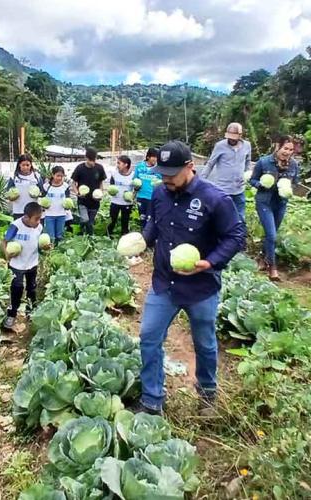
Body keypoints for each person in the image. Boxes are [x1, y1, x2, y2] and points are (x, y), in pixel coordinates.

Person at [136, 141, 246, 416]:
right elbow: (153, 225)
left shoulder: (215, 199)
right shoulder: (160, 194)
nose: (166, 179)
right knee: (149, 337)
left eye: (172, 174)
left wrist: (210, 262)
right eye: (163, 174)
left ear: (190, 167)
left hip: (201, 287)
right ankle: (152, 400)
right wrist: (141, 242)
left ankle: (207, 394)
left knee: (205, 343)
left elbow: (236, 235)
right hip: (164, 284)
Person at [249, 135, 299, 281]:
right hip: (264, 202)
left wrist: (288, 187)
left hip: (281, 203)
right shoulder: (264, 162)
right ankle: (272, 267)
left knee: (272, 234)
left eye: (290, 149)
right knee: (271, 235)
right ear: (278, 146)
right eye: (285, 148)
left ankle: (262, 258)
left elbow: (296, 182)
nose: (287, 152)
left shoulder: (293, 165)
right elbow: (252, 180)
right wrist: (261, 185)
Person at [2, 202, 44, 330]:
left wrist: (45, 248)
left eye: (40, 218)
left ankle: (30, 310)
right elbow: (4, 242)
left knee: (32, 287)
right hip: (17, 264)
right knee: (17, 288)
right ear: (26, 217)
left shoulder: (39, 227)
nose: (38, 221)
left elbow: (40, 245)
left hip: (32, 263)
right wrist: (7, 255)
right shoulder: (16, 226)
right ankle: (12, 314)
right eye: (36, 219)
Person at [199, 122, 252, 222]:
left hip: (239, 188)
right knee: (222, 217)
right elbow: (210, 164)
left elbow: (248, 161)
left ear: (240, 135)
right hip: (223, 189)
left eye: (234, 137)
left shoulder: (247, 146)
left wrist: (247, 174)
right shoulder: (220, 146)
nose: (231, 140)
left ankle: (239, 236)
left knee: (240, 218)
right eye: (229, 137)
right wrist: (201, 180)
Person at [71, 147, 107, 235]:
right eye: (91, 160)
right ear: (86, 158)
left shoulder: (99, 168)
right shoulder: (80, 168)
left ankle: (89, 238)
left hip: (95, 202)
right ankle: (81, 230)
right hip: (83, 201)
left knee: (90, 223)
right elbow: (73, 183)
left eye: (94, 160)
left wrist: (100, 193)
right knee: (85, 219)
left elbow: (101, 183)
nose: (93, 162)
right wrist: (77, 193)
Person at [133, 147, 163, 229]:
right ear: (148, 157)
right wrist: (134, 195)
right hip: (141, 197)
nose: (156, 159)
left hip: (153, 198)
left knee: (150, 219)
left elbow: (163, 183)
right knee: (142, 218)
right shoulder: (139, 166)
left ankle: (150, 238)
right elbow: (135, 180)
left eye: (157, 157)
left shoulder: (159, 169)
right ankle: (143, 236)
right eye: (154, 157)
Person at [6, 154, 43, 219]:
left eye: (27, 165)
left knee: (33, 228)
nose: (25, 167)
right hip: (18, 210)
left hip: (33, 210)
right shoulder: (14, 176)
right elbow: (8, 192)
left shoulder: (36, 176)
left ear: (31, 165)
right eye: (23, 165)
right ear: (19, 165)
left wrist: (37, 195)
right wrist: (12, 198)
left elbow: (42, 191)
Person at [107, 155, 135, 237]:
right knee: (112, 220)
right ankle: (108, 235)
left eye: (119, 163)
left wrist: (133, 196)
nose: (117, 165)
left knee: (125, 221)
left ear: (126, 165)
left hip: (127, 203)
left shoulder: (133, 175)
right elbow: (111, 186)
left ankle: (124, 236)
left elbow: (136, 188)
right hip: (115, 201)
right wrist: (111, 191)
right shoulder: (114, 174)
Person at [43, 165, 71, 244]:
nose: (59, 178)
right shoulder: (46, 186)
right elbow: (41, 198)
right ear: (53, 175)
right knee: (51, 237)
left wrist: (68, 206)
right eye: (58, 175)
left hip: (61, 215)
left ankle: (59, 251)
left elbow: (68, 199)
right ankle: (51, 252)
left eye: (61, 176)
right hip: (49, 215)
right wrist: (43, 206)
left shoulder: (65, 186)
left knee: (60, 236)